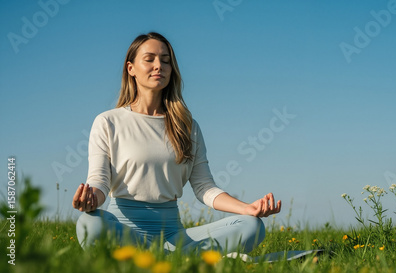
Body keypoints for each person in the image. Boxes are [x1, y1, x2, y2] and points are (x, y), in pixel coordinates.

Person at [72, 32, 281, 254]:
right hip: (125, 230)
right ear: (130, 68)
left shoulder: (187, 126)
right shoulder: (108, 121)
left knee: (251, 226)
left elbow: (204, 187)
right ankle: (179, 260)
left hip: (174, 235)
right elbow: (100, 181)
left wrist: (247, 208)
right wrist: (91, 200)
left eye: (165, 60)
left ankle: (156, 259)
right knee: (89, 224)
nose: (158, 66)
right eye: (149, 59)